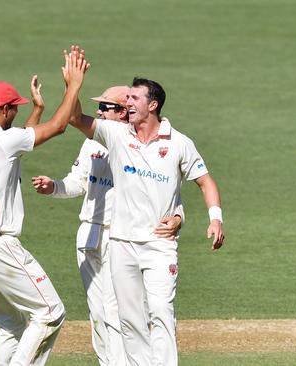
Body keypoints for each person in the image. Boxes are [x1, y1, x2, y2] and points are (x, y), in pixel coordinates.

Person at [69, 77, 225, 366]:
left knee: (160, 311)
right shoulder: (117, 134)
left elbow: (205, 182)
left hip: (159, 243)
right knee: (129, 319)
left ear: (152, 105)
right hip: (121, 243)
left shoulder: (178, 143)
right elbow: (75, 118)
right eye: (127, 99)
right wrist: (74, 84)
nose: (127, 103)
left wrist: (215, 219)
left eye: (134, 99)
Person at [30, 86, 184, 365]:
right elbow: (77, 182)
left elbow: (165, 191)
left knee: (118, 312)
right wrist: (54, 187)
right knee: (98, 313)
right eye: (99, 107)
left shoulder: (136, 145)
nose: (99, 112)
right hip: (89, 232)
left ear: (124, 111)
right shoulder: (91, 144)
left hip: (120, 236)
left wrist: (177, 217)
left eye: (106, 107)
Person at [0, 46, 89, 365]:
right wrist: (73, 86)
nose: (15, 112)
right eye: (14, 108)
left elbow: (15, 146)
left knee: (12, 325)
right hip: (0, 245)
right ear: (4, 110)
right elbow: (57, 128)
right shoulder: (2, 141)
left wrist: (37, 110)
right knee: (50, 313)